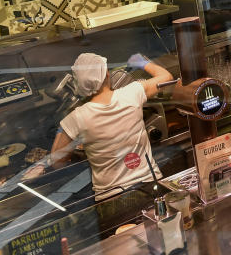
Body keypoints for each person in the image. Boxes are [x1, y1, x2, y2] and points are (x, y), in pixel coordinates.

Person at [47, 52, 174, 200]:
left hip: (110, 197)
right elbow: (167, 77)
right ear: (107, 74)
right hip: (149, 185)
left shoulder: (75, 118)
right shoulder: (132, 93)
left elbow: (56, 162)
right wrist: (141, 62)